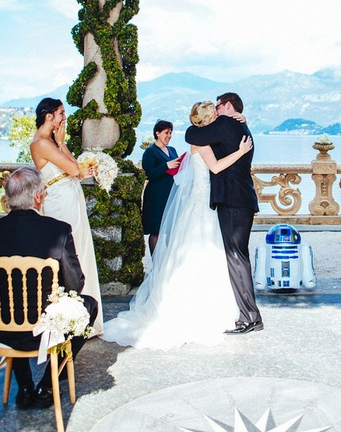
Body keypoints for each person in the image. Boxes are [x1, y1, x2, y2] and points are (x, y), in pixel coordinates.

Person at [101, 102, 252, 350]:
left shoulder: (204, 138)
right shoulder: (200, 141)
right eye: (213, 114)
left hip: (205, 202)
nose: (217, 116)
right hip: (203, 204)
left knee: (210, 250)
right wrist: (241, 151)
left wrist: (241, 120)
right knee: (202, 250)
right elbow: (215, 166)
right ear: (205, 119)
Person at [0, 167, 98, 410]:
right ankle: (48, 383)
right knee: (89, 305)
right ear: (37, 197)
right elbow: (76, 284)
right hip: (48, 328)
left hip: (3, 330)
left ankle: (24, 387)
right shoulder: (58, 230)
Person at [185, 92, 262, 334]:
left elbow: (191, 134)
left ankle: (250, 317)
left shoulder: (226, 123)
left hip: (232, 201)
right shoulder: (242, 127)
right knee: (239, 257)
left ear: (227, 106)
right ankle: (249, 314)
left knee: (236, 259)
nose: (215, 111)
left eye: (218, 106)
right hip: (242, 199)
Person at [30, 98, 103, 336]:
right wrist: (64, 149)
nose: (64, 118)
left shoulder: (53, 142)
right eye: (61, 113)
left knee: (81, 249)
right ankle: (68, 317)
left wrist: (64, 146)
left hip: (71, 196)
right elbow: (73, 169)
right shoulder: (41, 143)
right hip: (59, 202)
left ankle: (86, 320)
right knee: (69, 253)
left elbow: (76, 168)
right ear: (49, 116)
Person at [141, 119, 180, 254]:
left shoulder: (172, 150)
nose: (169, 136)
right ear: (157, 133)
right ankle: (156, 262)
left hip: (171, 193)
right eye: (166, 132)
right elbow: (149, 174)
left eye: (170, 133)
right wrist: (166, 166)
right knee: (156, 230)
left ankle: (170, 261)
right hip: (156, 196)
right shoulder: (150, 152)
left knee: (172, 229)